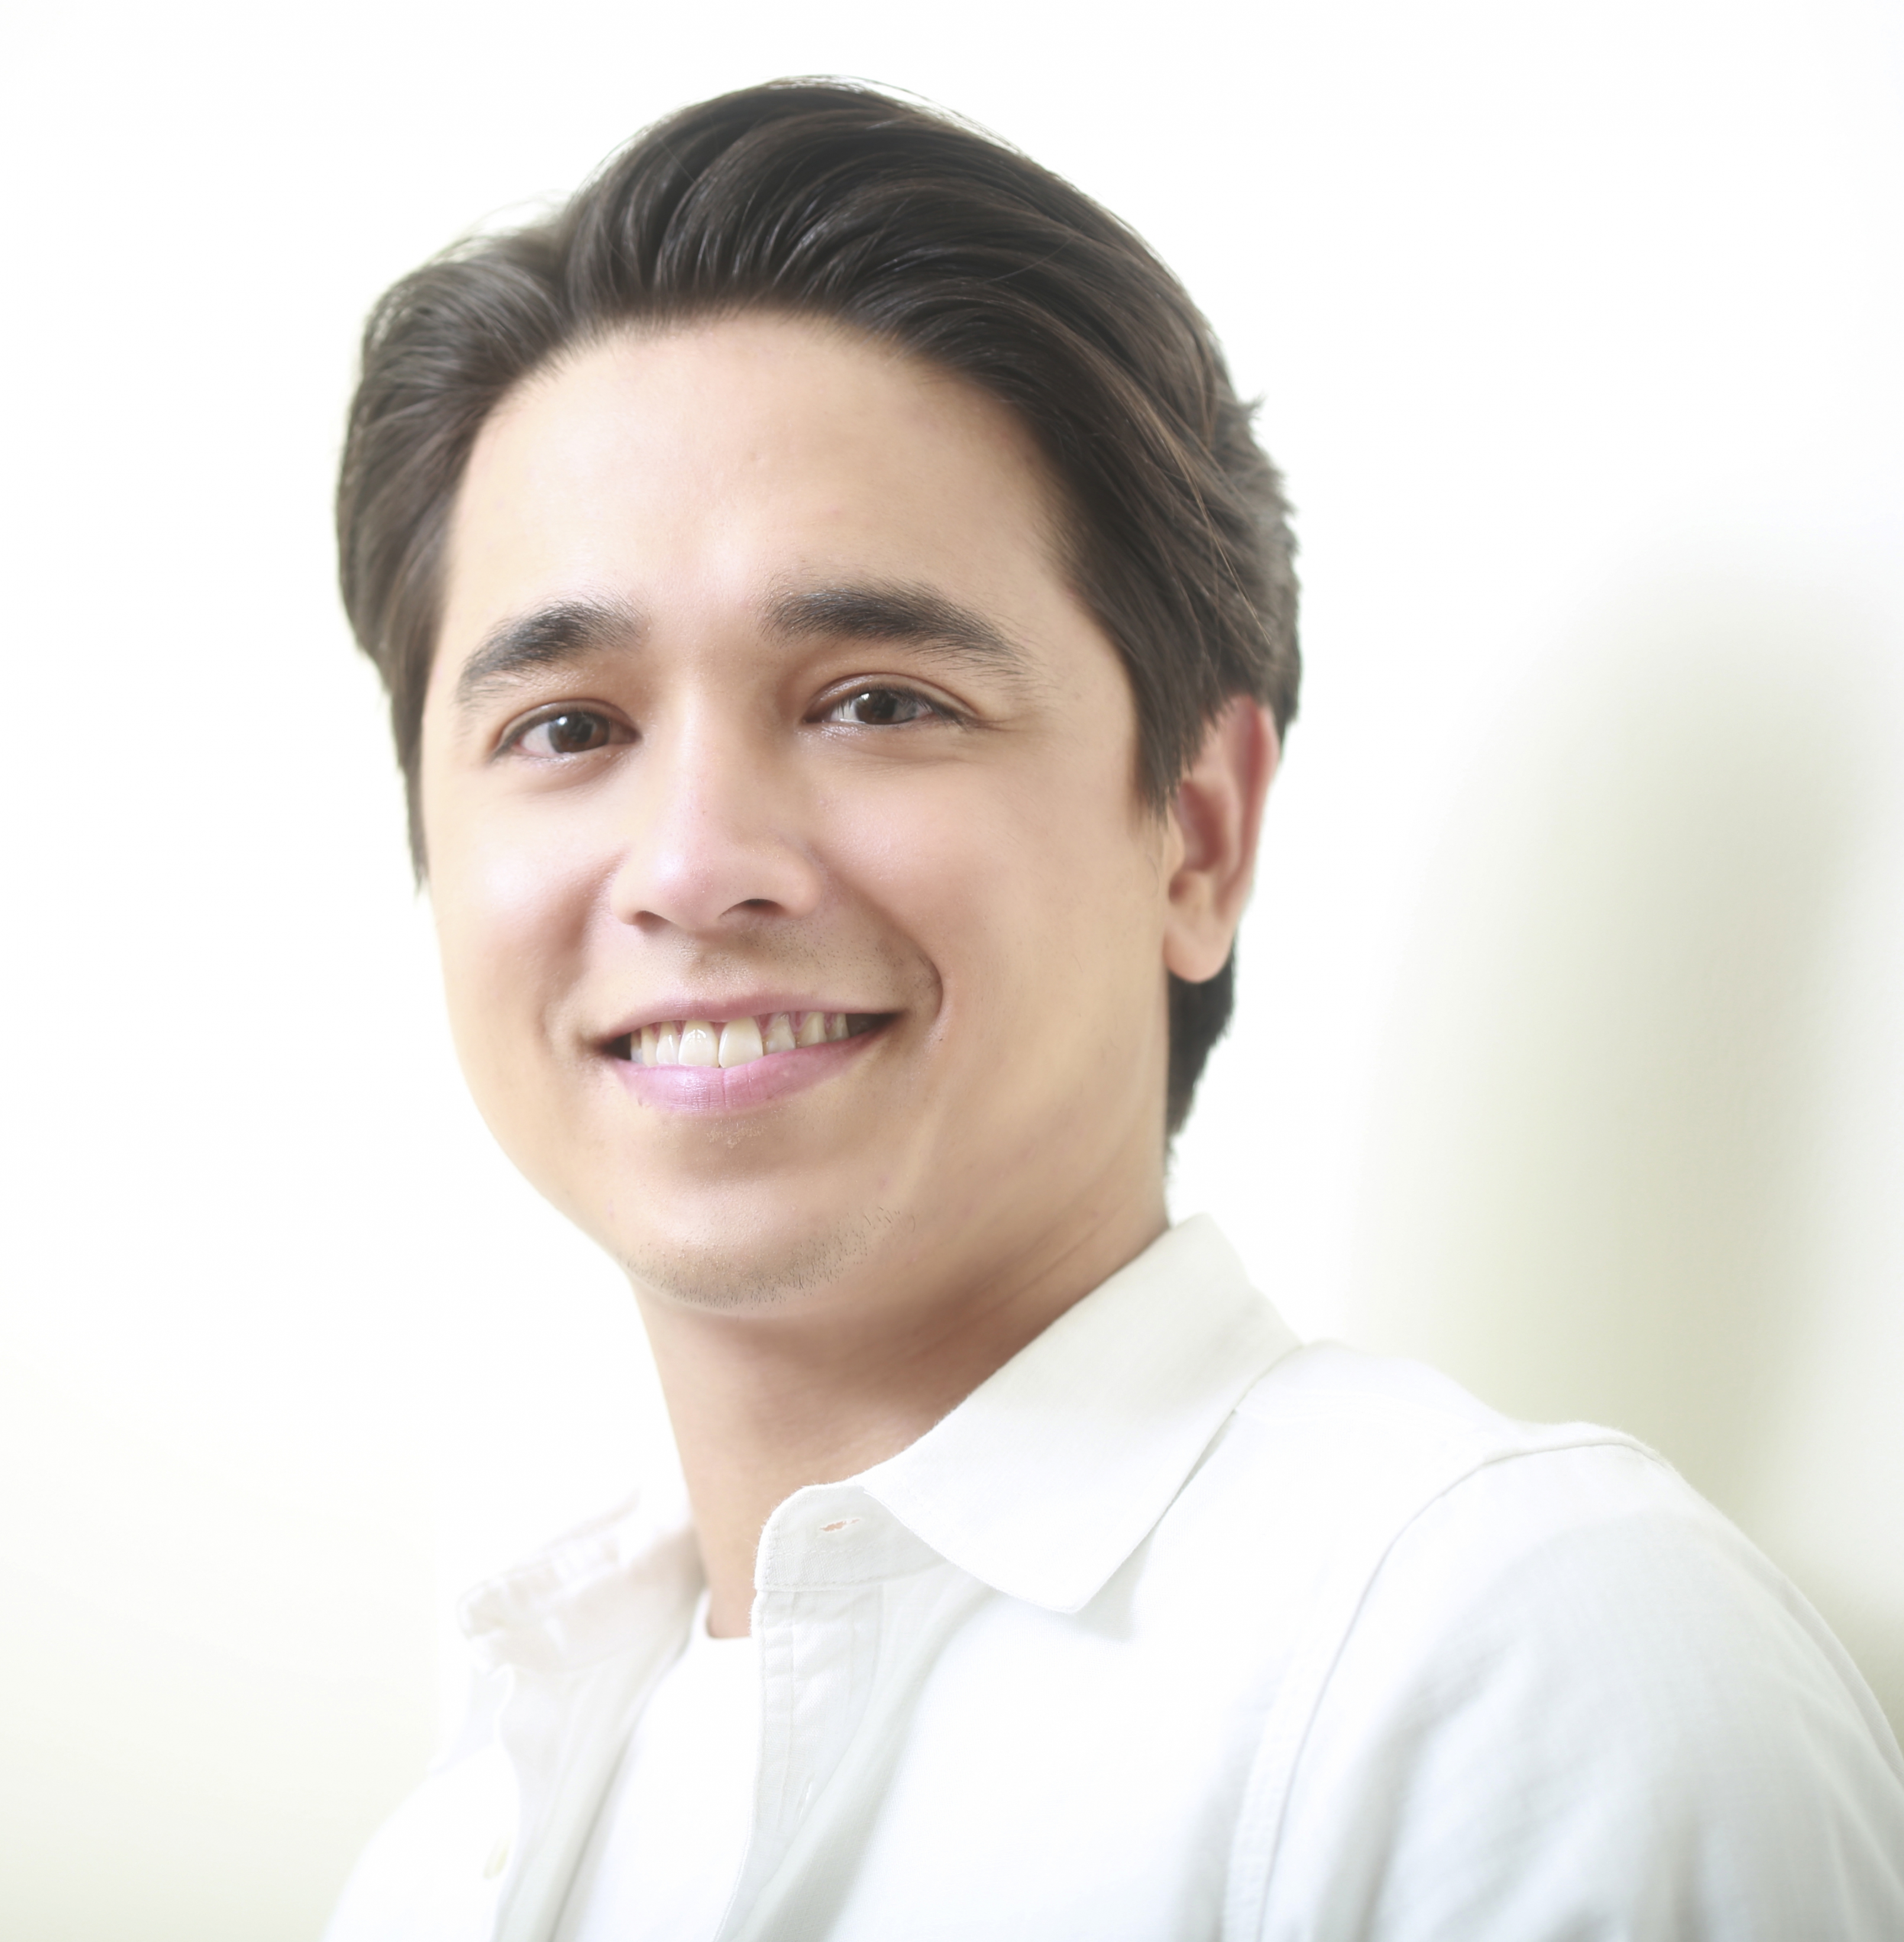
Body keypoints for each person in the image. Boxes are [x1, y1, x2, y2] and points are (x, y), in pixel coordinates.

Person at [318, 79, 1904, 1942]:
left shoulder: (1510, 1670)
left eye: (878, 700)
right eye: (567, 726)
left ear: (1199, 833)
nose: (694, 864)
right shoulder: (461, 1835)